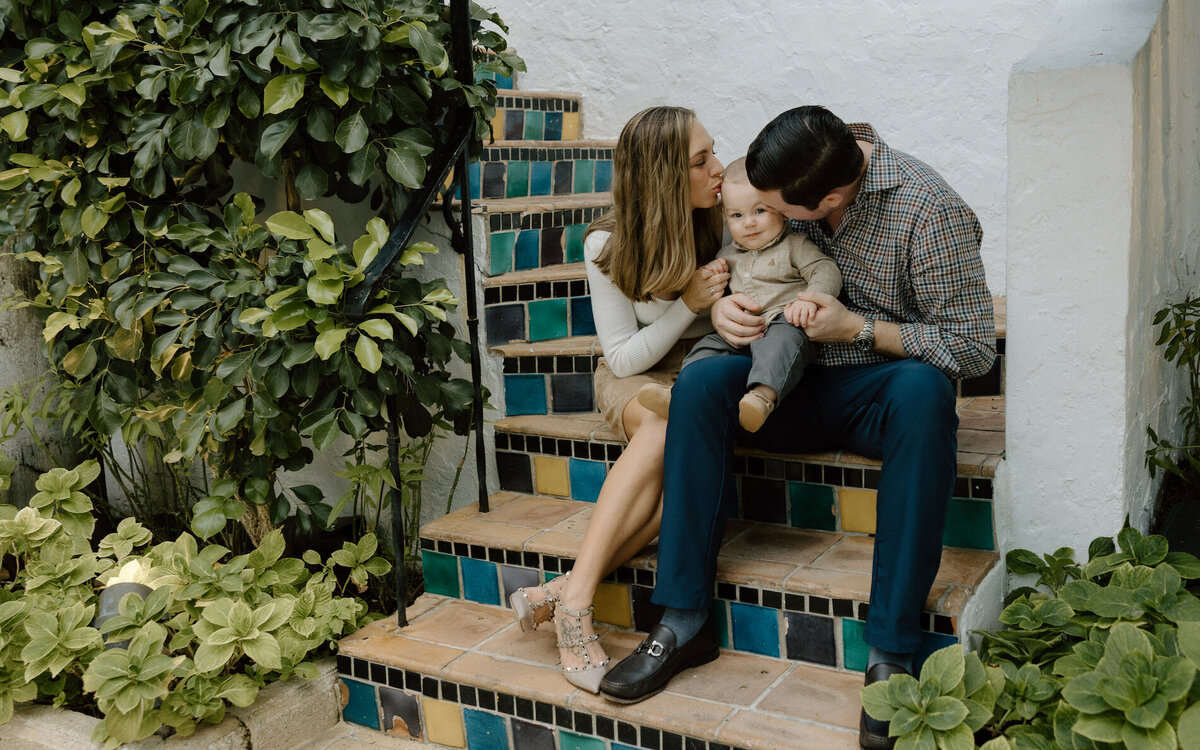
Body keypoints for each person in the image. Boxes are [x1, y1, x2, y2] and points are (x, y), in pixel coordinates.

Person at [599, 106, 995, 750]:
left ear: (828, 200)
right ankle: (683, 619)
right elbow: (724, 255)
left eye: (779, 209)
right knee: (699, 384)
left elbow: (974, 348)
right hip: (777, 388)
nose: (763, 217)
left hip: (870, 390)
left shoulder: (929, 211)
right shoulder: (802, 159)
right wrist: (723, 310)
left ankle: (892, 653)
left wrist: (859, 328)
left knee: (925, 392)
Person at [508, 105, 727, 694]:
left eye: (714, 153)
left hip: (705, 370)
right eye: (701, 161)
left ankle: (558, 591)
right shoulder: (607, 243)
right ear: (661, 176)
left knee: (673, 490)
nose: (720, 170)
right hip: (635, 375)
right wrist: (688, 303)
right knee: (662, 429)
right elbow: (626, 356)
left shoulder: (724, 221)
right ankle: (577, 608)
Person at [635, 157, 841, 432]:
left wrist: (812, 298)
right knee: (707, 346)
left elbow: (826, 270)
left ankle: (761, 397)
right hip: (743, 332)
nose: (749, 224)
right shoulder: (727, 255)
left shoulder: (794, 245)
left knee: (781, 342)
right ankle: (678, 393)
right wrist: (714, 286)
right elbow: (716, 294)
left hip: (786, 321)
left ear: (781, 210)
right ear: (725, 217)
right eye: (737, 216)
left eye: (759, 211)